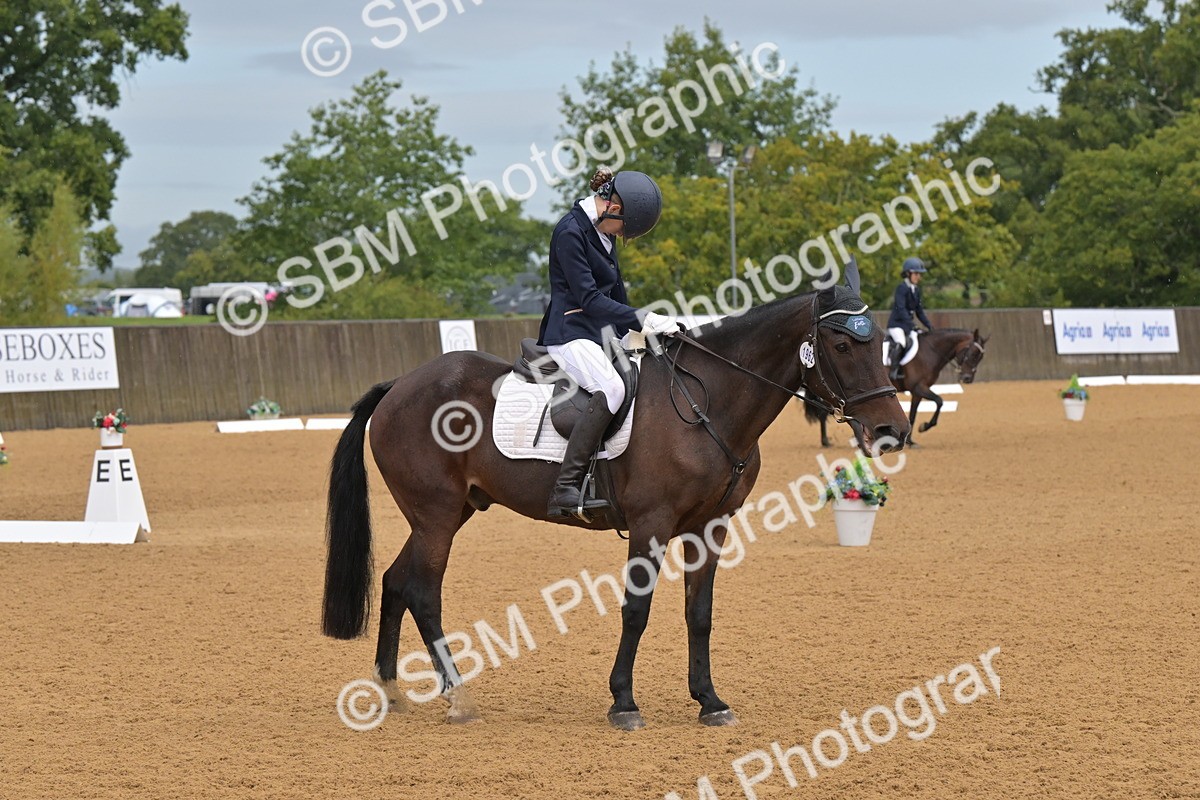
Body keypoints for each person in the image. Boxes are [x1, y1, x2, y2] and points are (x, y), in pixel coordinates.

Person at [537, 166, 679, 519]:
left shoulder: (603, 233)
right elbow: (589, 298)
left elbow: (616, 291)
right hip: (569, 334)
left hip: (600, 334)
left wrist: (638, 335)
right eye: (625, 230)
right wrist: (644, 319)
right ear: (613, 208)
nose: (624, 238)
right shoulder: (569, 233)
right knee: (612, 389)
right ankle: (566, 487)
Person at [886, 257, 934, 381]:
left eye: (919, 274)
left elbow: (919, 311)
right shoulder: (901, 288)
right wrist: (913, 326)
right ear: (908, 273)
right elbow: (901, 309)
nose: (919, 277)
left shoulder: (916, 290)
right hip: (896, 325)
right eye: (916, 273)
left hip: (907, 325)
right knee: (901, 342)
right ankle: (894, 371)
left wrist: (929, 326)